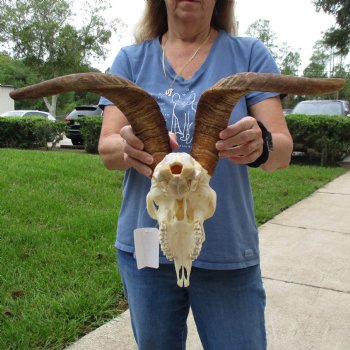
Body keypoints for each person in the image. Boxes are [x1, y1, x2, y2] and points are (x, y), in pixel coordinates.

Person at [98, 0, 293, 349]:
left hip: (227, 253)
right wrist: (127, 147)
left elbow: (281, 151)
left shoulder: (249, 54)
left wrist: (260, 143)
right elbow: (108, 149)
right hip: (146, 249)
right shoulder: (131, 59)